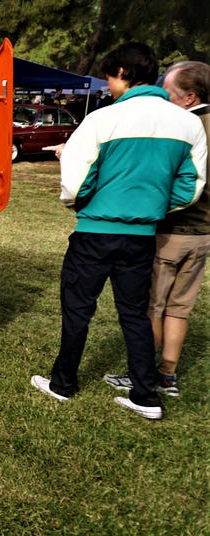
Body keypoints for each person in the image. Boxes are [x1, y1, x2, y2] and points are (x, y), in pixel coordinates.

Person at [30, 42, 207, 420]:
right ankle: (146, 396)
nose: (109, 84)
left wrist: (84, 207)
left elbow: (76, 181)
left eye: (110, 76)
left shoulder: (102, 119)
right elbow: (191, 187)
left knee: (78, 309)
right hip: (142, 236)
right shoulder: (188, 121)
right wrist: (154, 209)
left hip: (94, 232)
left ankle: (63, 384)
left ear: (122, 74)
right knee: (135, 314)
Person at [103, 61, 210, 399]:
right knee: (180, 307)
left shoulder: (187, 128)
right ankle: (167, 375)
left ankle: (142, 376)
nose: (161, 98)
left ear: (190, 97)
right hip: (203, 235)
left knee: (152, 306)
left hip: (172, 231)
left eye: (168, 93)